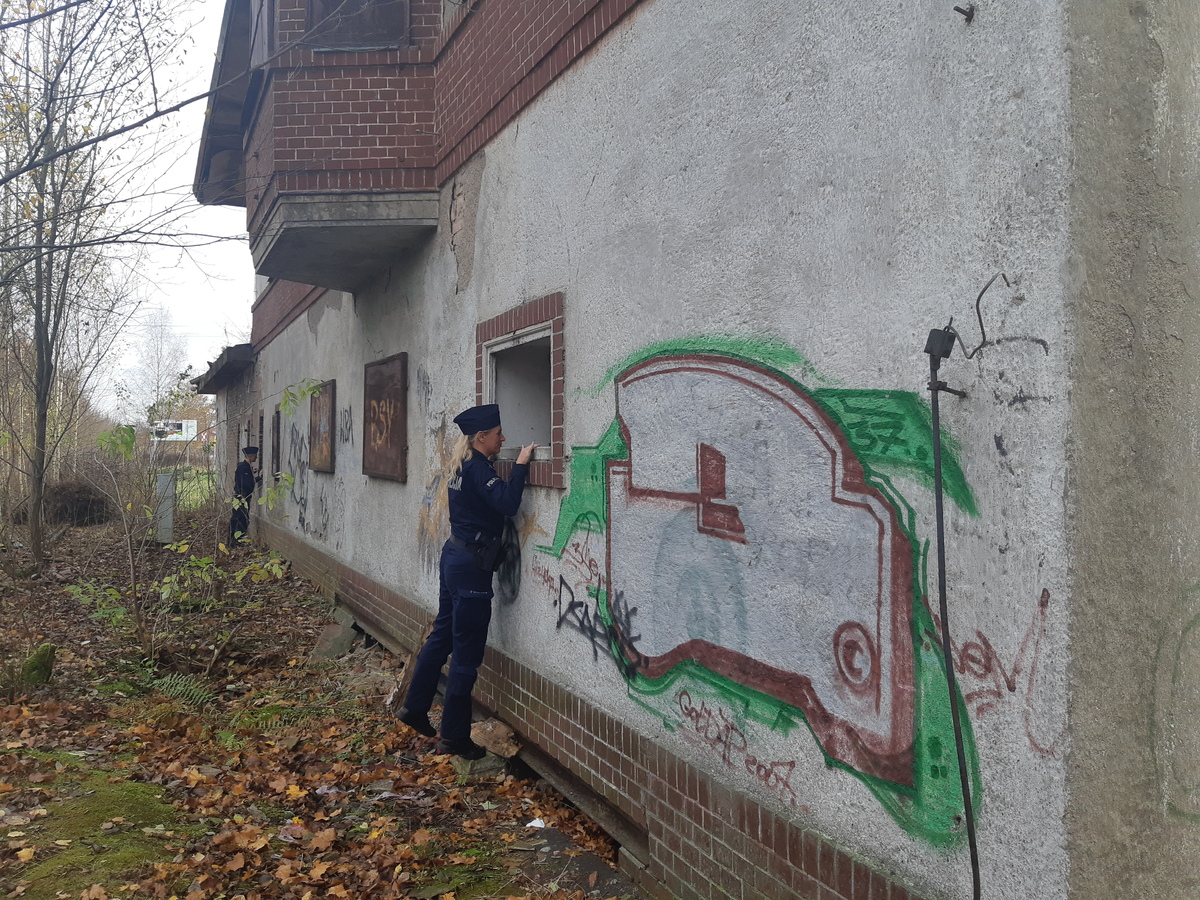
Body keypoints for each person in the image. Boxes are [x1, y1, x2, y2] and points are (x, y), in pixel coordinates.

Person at [397, 404, 536, 759]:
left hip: (455, 557)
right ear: (481, 437)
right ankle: (455, 737)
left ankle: (414, 707)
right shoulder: (476, 469)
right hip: (470, 567)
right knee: (466, 652)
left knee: (443, 633)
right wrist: (520, 466)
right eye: (498, 434)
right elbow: (506, 503)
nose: (503, 438)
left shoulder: (463, 465)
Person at [229, 446, 261, 545]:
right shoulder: (243, 467)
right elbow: (246, 483)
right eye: (255, 456)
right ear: (251, 456)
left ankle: (233, 540)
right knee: (242, 519)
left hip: (240, 497)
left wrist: (253, 474)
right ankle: (237, 541)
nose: (256, 458)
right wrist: (258, 477)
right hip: (242, 497)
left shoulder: (245, 467)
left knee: (237, 518)